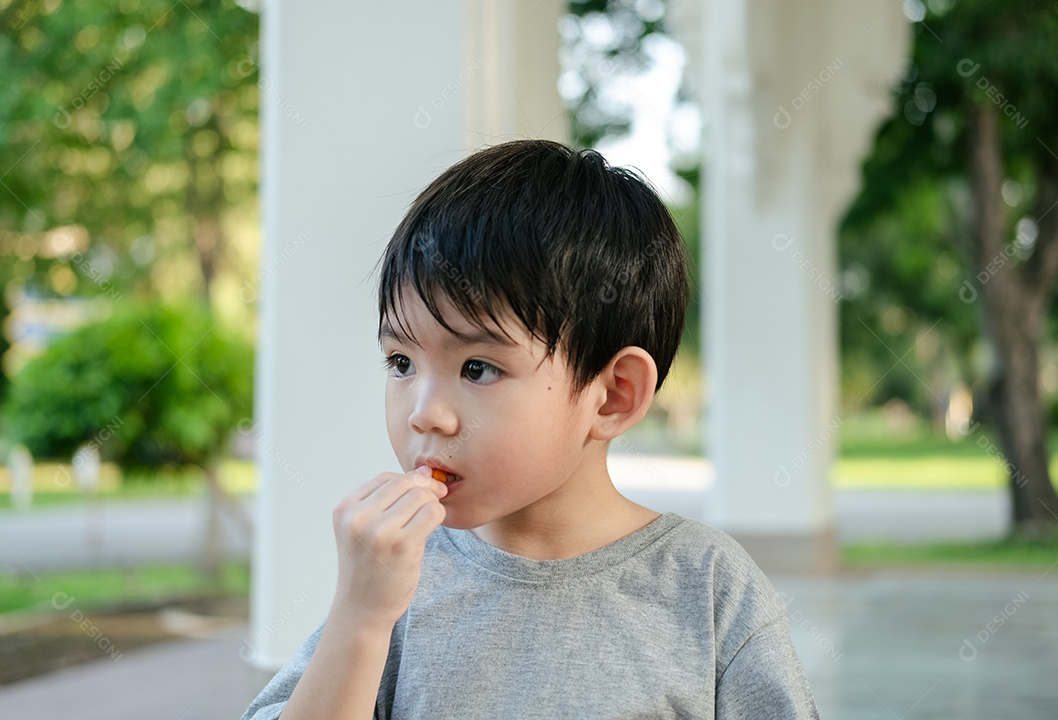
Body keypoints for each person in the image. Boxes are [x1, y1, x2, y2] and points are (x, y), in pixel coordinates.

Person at [241, 139, 819, 719]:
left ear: (613, 396)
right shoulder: (396, 583)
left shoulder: (709, 590)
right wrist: (360, 618)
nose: (424, 413)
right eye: (401, 362)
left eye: (477, 368)